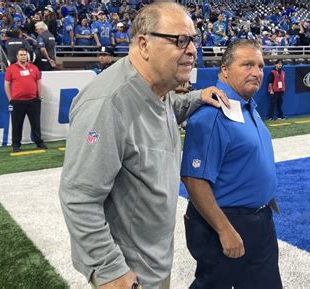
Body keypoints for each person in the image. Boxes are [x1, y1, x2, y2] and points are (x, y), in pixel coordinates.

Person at [59, 3, 228, 289]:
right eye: (180, 40)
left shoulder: (157, 89)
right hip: (130, 275)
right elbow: (78, 197)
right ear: (144, 44)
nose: (192, 50)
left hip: (154, 264)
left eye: (193, 40)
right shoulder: (107, 104)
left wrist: (198, 96)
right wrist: (108, 269)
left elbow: (168, 106)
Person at [181, 39, 282, 289]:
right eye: (247, 64)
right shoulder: (212, 115)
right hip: (225, 222)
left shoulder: (248, 106)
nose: (257, 72)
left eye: (260, 66)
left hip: (259, 219)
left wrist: (263, 194)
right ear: (225, 70)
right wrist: (224, 229)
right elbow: (194, 179)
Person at [4, 48, 47, 152]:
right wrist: (10, 98)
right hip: (17, 102)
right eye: (21, 55)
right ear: (17, 56)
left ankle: (39, 142)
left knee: (36, 123)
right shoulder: (11, 69)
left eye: (25, 55)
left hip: (33, 101)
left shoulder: (34, 68)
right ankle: (16, 145)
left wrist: (39, 96)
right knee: (16, 124)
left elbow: (39, 82)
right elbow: (7, 84)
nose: (23, 56)